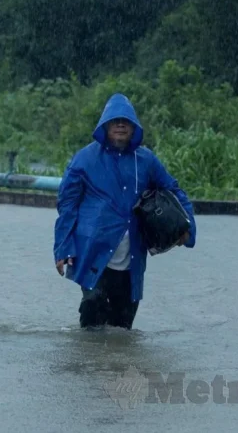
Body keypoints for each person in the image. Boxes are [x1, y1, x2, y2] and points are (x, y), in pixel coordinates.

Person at [53, 93, 197, 330]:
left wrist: (187, 227)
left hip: (132, 259)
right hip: (93, 251)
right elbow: (67, 205)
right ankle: (85, 363)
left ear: (133, 127)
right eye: (115, 121)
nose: (120, 125)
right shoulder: (84, 160)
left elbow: (173, 190)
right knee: (93, 306)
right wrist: (63, 247)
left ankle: (115, 367)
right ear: (105, 125)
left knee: (122, 329)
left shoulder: (146, 161)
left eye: (126, 122)